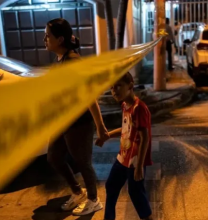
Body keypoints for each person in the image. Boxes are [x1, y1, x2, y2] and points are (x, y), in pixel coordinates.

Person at [44, 18, 109, 215]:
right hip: (63, 121)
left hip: (79, 123)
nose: (45, 39)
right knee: (54, 157)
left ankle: (93, 199)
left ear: (60, 39)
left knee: (83, 162)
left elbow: (90, 96)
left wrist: (100, 126)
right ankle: (77, 191)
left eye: (48, 36)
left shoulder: (73, 61)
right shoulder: (60, 59)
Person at [98, 72, 153, 220]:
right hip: (123, 157)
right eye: (111, 88)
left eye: (118, 86)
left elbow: (145, 138)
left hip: (134, 160)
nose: (114, 91)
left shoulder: (139, 108)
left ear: (130, 86)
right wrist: (107, 135)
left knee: (136, 193)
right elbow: (125, 129)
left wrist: (140, 166)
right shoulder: (125, 105)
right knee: (111, 186)